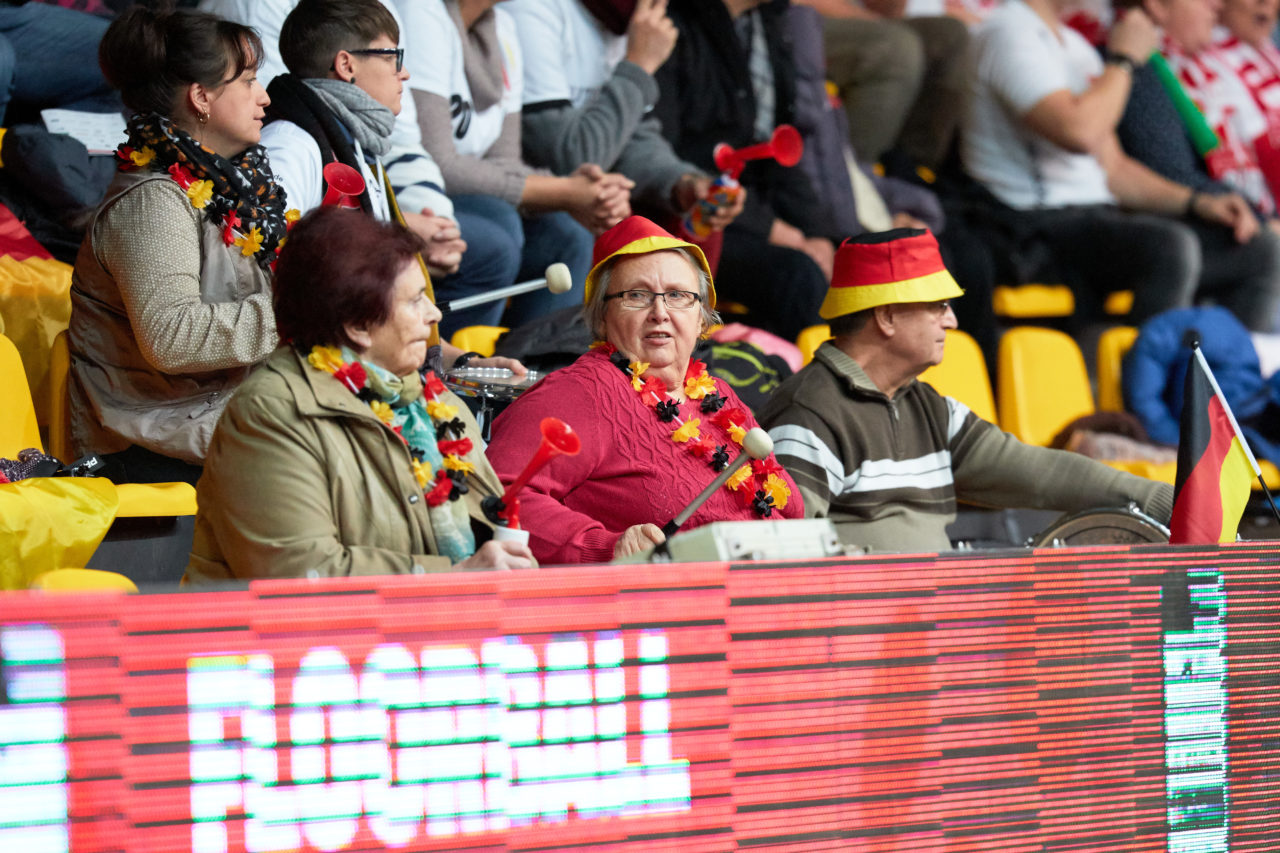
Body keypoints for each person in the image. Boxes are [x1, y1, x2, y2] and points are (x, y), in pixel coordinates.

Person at [758, 229, 1174, 552]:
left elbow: (1036, 471)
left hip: (928, 632)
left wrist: (1160, 499)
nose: (952, 321)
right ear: (886, 316)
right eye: (938, 305)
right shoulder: (809, 414)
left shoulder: (926, 407)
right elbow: (782, 555)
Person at [184, 207, 535, 583]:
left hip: (429, 631)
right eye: (415, 300)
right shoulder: (271, 412)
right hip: (281, 638)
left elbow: (494, 529)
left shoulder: (437, 404)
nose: (434, 314)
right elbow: (296, 573)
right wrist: (455, 576)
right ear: (357, 326)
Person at [485, 215, 804, 565]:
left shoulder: (717, 393)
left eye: (678, 295)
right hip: (661, 609)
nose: (660, 312)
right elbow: (501, 494)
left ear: (701, 318)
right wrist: (607, 546)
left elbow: (788, 507)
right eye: (636, 295)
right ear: (602, 316)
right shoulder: (581, 393)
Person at [961, 0, 1280, 329]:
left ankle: (1235, 375)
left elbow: (1114, 171)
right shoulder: (1006, 32)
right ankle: (1149, 377)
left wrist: (1198, 202)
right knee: (1168, 247)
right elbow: (1079, 132)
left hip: (1092, 220)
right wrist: (1124, 60)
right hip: (1027, 227)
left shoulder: (1075, 46)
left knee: (1259, 251)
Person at [68, 7, 284, 485]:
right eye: (248, 81)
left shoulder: (235, 186)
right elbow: (172, 336)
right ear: (201, 96)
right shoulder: (153, 202)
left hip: (212, 414)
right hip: (149, 438)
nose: (264, 97)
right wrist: (298, 315)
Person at [259, 0, 523, 374]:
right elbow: (276, 290)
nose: (405, 74)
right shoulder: (291, 146)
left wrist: (458, 362)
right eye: (392, 57)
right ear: (346, 65)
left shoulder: (357, 142)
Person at [394, 0, 632, 336]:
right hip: (418, 198)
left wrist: (584, 192)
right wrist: (565, 192)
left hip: (476, 199)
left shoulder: (502, 26)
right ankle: (456, 372)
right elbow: (440, 163)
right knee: (500, 232)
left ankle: (542, 371)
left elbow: (505, 162)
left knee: (566, 236)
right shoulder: (422, 11)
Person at [653, 0, 839, 341]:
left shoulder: (767, 23)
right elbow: (669, 162)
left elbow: (780, 147)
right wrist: (778, 231)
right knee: (797, 275)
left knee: (853, 260)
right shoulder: (670, 22)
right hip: (688, 216)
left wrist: (819, 235)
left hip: (753, 209)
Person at [506, 0, 745, 229]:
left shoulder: (617, 18)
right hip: (524, 196)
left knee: (686, 224)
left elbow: (632, 136)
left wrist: (681, 183)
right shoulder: (533, 9)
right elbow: (568, 158)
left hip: (584, 198)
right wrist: (638, 66)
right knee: (570, 232)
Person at [1117, 0, 1277, 217]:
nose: (1217, 5)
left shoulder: (1244, 56)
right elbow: (1175, 172)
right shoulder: (1144, 65)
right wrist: (1265, 225)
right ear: (1157, 5)